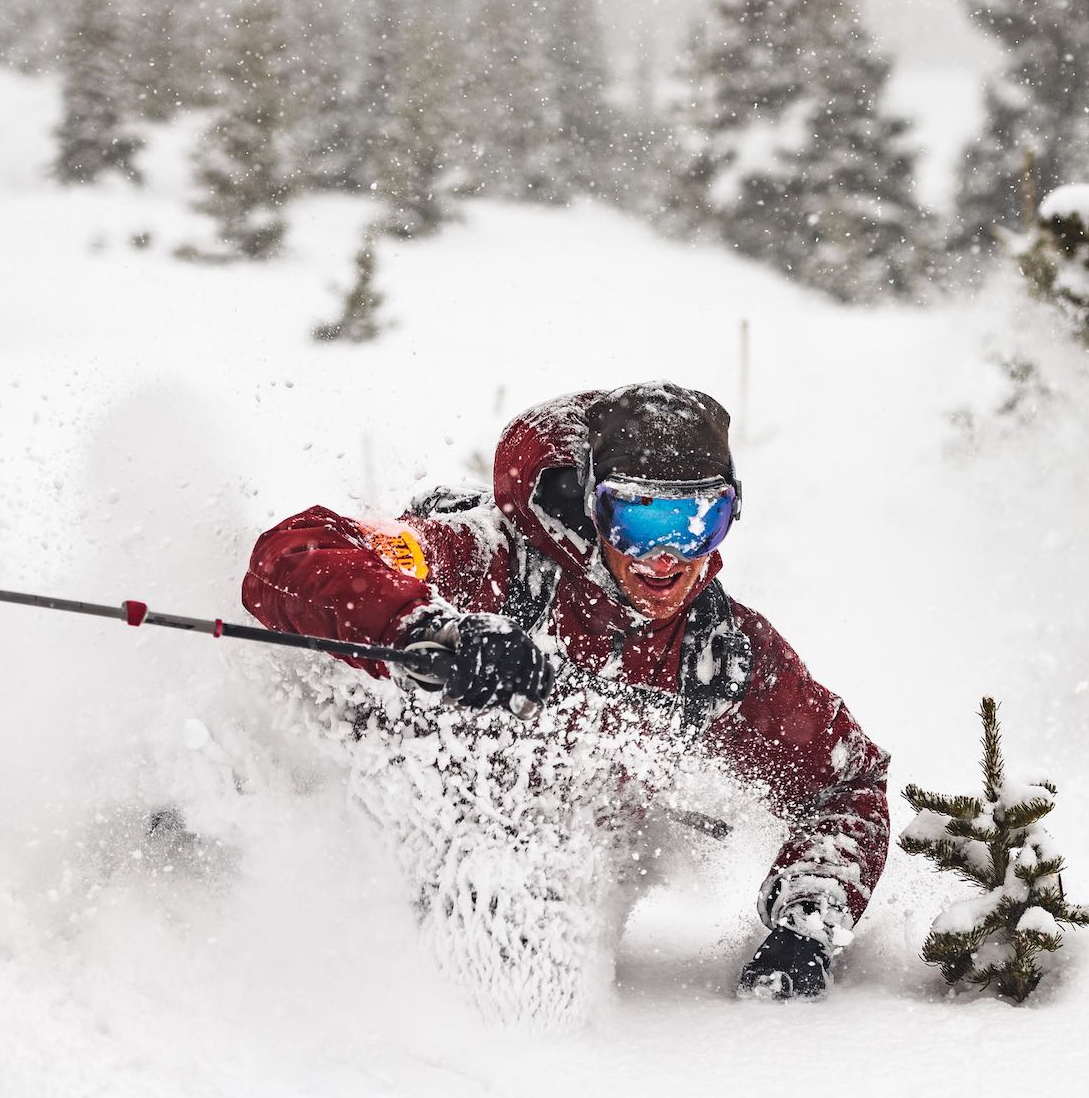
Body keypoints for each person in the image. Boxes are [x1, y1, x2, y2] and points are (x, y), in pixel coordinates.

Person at [243, 382, 889, 1000]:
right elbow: (296, 553)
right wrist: (433, 629)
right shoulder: (489, 559)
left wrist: (807, 923)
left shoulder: (722, 656)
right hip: (349, 858)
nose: (663, 556)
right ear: (592, 506)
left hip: (522, 904)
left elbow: (849, 782)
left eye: (695, 520)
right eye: (637, 519)